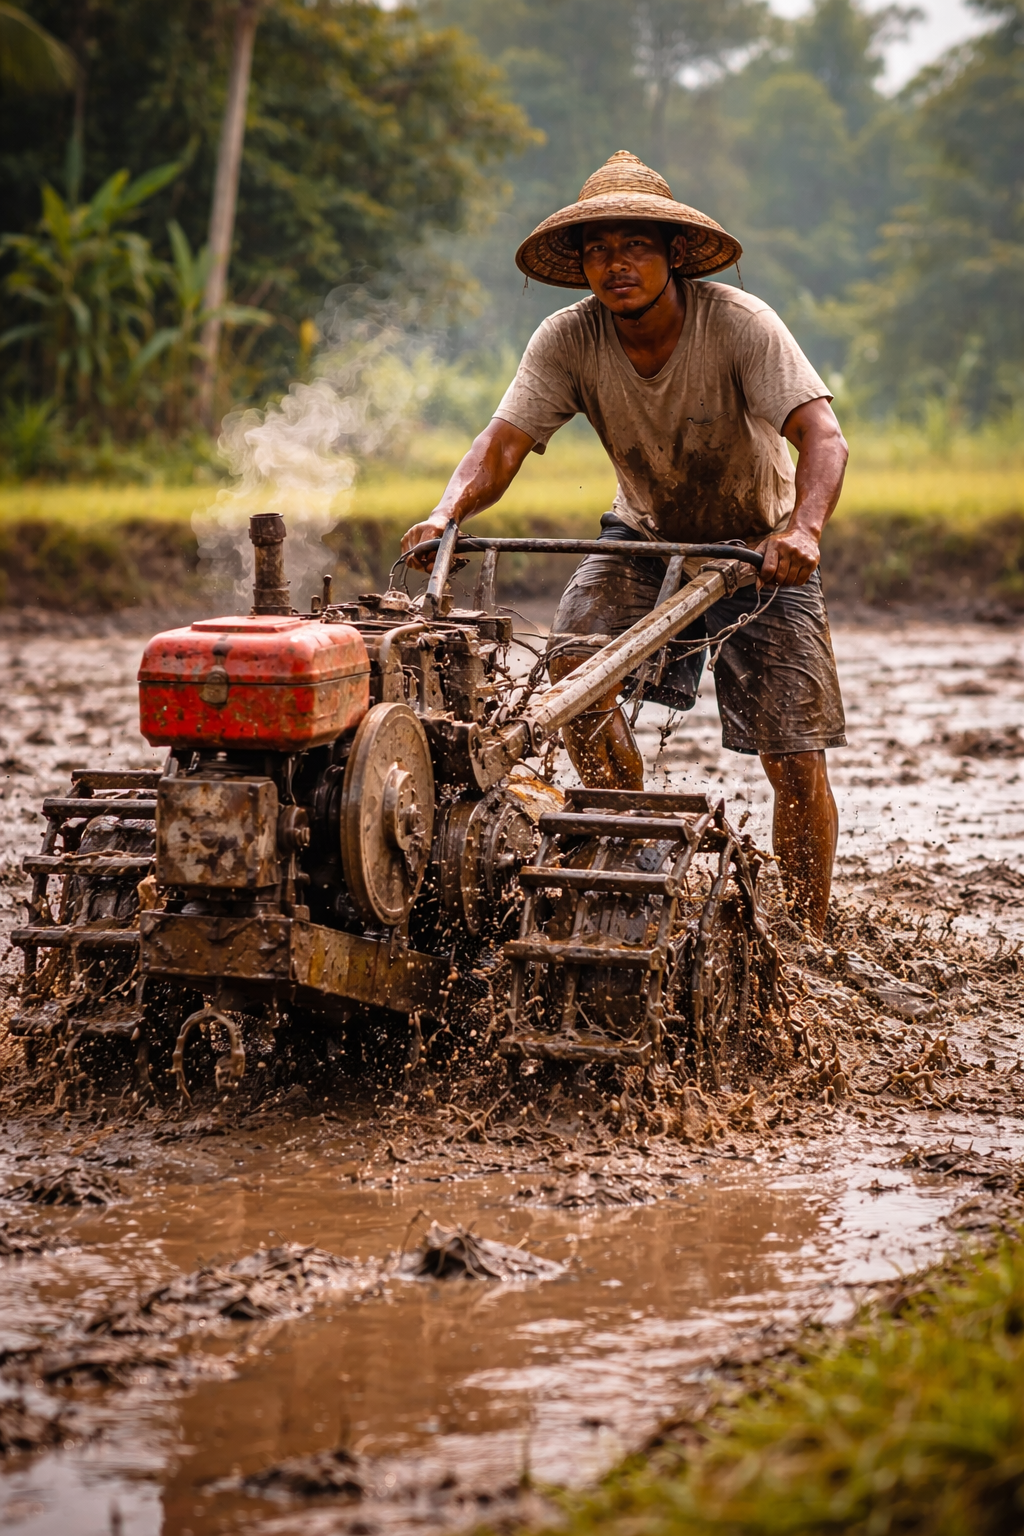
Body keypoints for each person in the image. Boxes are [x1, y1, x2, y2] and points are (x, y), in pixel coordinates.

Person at [401, 150, 848, 935]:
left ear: (673, 253)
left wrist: (803, 529)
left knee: (794, 750)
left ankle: (810, 933)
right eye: (599, 250)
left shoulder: (739, 324)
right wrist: (446, 515)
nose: (618, 265)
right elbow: (502, 445)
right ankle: (635, 850)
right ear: (581, 265)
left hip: (759, 547)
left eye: (635, 245)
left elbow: (823, 435)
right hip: (644, 538)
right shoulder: (568, 339)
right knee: (574, 668)